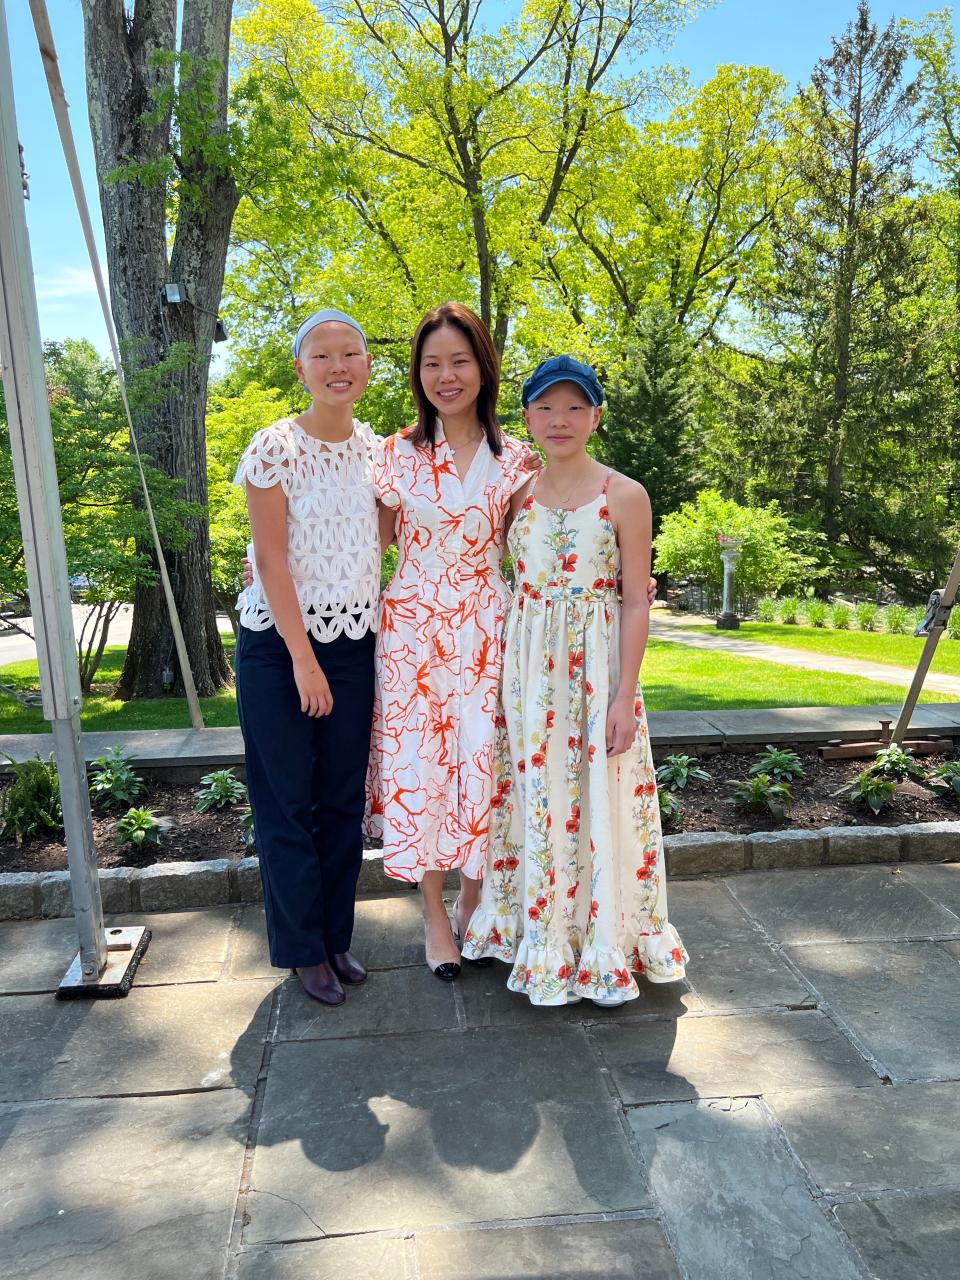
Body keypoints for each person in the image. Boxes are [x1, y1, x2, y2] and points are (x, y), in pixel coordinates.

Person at [462, 355, 687, 1006]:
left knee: (599, 798)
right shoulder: (517, 496)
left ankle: (603, 943)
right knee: (540, 799)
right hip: (529, 677)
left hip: (598, 677)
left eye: (574, 406)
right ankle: (541, 936)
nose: (559, 419)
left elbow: (637, 599)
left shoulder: (625, 494)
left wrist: (624, 697)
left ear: (595, 415)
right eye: (545, 407)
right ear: (526, 416)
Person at [367, 302, 534, 979]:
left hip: (490, 626)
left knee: (482, 766)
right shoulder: (395, 455)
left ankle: (475, 904)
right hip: (411, 631)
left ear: (483, 367)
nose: (446, 375)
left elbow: (532, 556)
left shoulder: (518, 459)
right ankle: (434, 913)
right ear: (418, 374)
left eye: (458, 361)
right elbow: (367, 549)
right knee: (422, 770)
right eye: (432, 363)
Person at [233, 309, 381, 1007]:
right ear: (301, 369)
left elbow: (389, 536)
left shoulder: (380, 452)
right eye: (322, 356)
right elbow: (268, 559)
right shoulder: (274, 446)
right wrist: (302, 658)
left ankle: (335, 936)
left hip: (354, 641)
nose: (337, 365)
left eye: (350, 352)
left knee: (342, 800)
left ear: (368, 366)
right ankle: (301, 951)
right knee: (287, 801)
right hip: (280, 646)